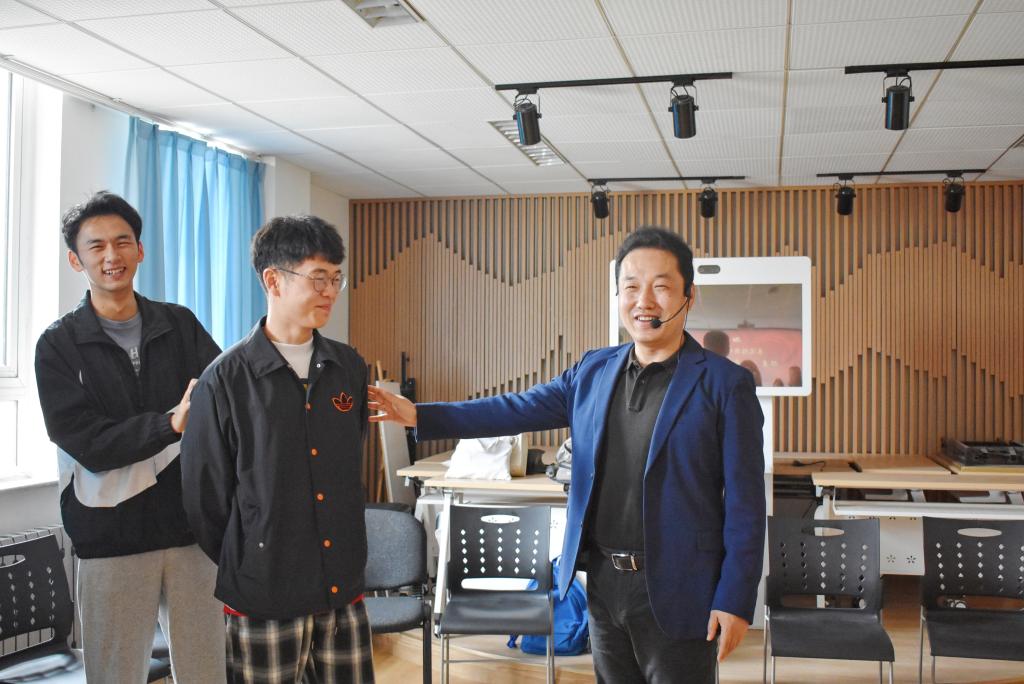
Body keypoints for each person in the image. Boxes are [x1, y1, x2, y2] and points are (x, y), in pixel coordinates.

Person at [370, 227, 766, 684]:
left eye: (661, 286)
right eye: (631, 286)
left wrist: (735, 599)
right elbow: (514, 408)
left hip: (682, 586)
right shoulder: (594, 370)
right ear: (618, 295)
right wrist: (419, 414)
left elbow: (746, 505)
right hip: (603, 583)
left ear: (688, 296)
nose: (644, 301)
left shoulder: (725, 384)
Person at [34, 191, 225, 682]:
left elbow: (219, 402)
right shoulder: (57, 345)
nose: (111, 256)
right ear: (76, 260)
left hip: (191, 533)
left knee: (207, 672)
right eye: (96, 246)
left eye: (122, 242)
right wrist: (169, 424)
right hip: (110, 537)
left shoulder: (180, 324)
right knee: (115, 674)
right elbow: (88, 443)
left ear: (140, 250)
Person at [181, 215, 374, 684]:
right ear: (273, 280)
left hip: (340, 586)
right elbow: (206, 500)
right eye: (318, 278)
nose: (330, 291)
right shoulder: (225, 379)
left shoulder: (347, 366)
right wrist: (255, 551)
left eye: (336, 278)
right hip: (265, 591)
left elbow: (349, 460)